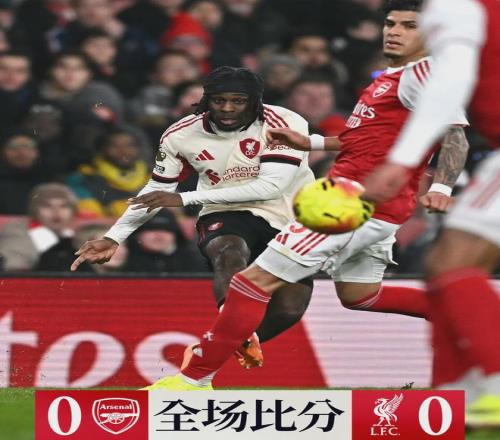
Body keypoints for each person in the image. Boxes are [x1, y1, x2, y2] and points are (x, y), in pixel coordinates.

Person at [127, 0, 472, 391]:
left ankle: (192, 381)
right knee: (360, 295)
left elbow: (455, 135)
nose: (394, 31)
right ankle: (464, 315)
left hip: (349, 205)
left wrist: (442, 187)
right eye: (391, 23)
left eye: (409, 26)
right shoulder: (390, 78)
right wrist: (310, 142)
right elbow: (368, 140)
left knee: (250, 283)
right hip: (380, 210)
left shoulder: (423, 74)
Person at [71, 66, 315, 369]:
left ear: (256, 102)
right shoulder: (180, 135)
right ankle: (231, 325)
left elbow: (271, 188)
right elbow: (157, 190)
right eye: (219, 100)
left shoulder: (285, 123)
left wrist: (184, 198)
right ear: (206, 100)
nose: (227, 108)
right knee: (228, 251)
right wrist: (114, 236)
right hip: (225, 210)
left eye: (238, 101)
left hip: (288, 215)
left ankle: (212, 349)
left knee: (289, 309)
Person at [362, 0, 500, 427]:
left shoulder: (457, 7)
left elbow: (453, 79)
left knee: (451, 265)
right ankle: (459, 394)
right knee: (447, 266)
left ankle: (491, 383)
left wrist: (403, 160)